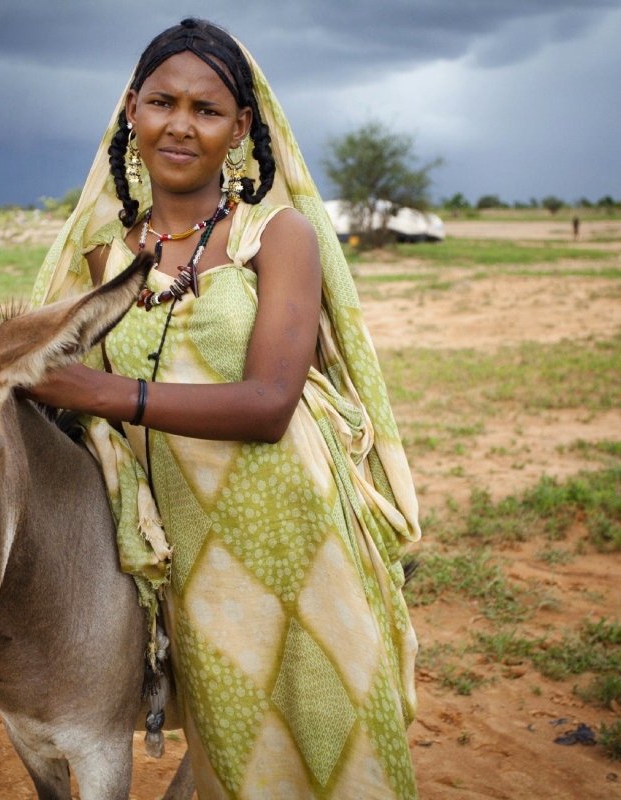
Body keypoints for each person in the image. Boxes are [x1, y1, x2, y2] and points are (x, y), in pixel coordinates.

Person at [28, 19, 420, 798]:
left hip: (302, 537)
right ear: (131, 110)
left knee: (334, 741)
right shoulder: (105, 259)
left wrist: (102, 391)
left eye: (207, 110)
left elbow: (273, 403)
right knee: (238, 753)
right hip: (194, 551)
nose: (181, 125)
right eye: (163, 103)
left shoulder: (277, 237)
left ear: (241, 128)